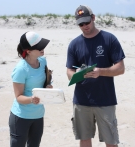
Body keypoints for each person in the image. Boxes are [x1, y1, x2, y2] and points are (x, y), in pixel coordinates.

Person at [66, 5, 125, 147]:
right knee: (84, 139)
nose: (85, 26)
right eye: (81, 24)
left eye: (87, 22)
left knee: (111, 141)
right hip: (81, 100)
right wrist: (77, 75)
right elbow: (69, 72)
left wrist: (101, 72)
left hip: (105, 100)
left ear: (93, 18)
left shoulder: (109, 39)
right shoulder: (74, 44)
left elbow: (121, 68)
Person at [9, 31, 52, 147]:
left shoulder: (43, 61)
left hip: (38, 115)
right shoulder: (20, 69)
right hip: (21, 117)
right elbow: (18, 97)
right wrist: (31, 99)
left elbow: (44, 82)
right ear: (28, 51)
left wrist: (48, 87)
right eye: (39, 47)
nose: (43, 48)